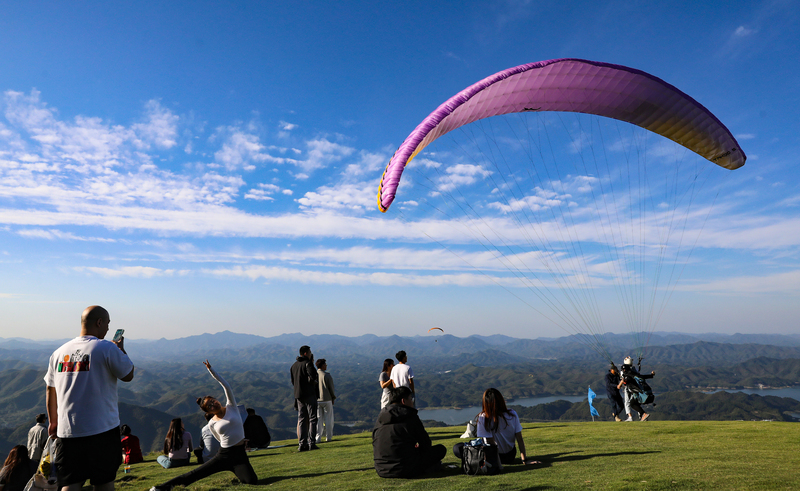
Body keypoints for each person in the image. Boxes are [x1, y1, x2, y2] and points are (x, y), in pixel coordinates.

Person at [44, 305, 134, 491]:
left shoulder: (59, 352)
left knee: (70, 483)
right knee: (103, 482)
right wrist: (120, 350)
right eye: (107, 323)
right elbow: (128, 375)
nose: (108, 328)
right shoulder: (107, 347)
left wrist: (53, 422)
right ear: (99, 322)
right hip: (102, 429)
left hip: (67, 431)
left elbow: (50, 389)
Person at [149, 361, 257, 491]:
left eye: (213, 401)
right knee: (195, 474)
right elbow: (219, 438)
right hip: (224, 454)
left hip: (240, 455)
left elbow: (226, 385)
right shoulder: (212, 423)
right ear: (208, 412)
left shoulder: (232, 407)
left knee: (252, 481)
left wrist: (211, 370)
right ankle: (160, 488)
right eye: (209, 406)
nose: (213, 404)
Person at [372, 386, 446, 478]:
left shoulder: (381, 418)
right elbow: (426, 444)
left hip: (382, 469)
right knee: (440, 449)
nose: (412, 402)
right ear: (403, 401)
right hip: (405, 468)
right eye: (411, 399)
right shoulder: (410, 416)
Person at [452, 388, 537, 466]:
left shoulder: (484, 417)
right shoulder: (512, 414)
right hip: (510, 456)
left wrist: (496, 463)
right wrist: (524, 460)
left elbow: (490, 443)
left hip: (493, 457)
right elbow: (519, 439)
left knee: (457, 448)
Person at [290, 345, 319, 451]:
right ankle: (312, 443)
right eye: (310, 352)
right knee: (312, 418)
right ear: (306, 353)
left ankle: (302, 444)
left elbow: (293, 381)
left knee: (302, 418)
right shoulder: (308, 363)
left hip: (298, 395)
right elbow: (313, 376)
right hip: (309, 394)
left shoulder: (294, 365)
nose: (311, 354)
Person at [617, 356, 655, 422]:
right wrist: (651, 375)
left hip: (635, 391)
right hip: (640, 391)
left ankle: (643, 414)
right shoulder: (634, 373)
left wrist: (619, 385)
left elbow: (624, 380)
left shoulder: (627, 375)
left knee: (632, 403)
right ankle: (642, 415)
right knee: (635, 403)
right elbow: (642, 376)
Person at [316, 358, 336, 443]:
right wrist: (333, 397)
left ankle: (318, 438)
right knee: (329, 419)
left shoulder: (314, 375)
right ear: (323, 365)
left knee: (318, 420)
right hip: (327, 399)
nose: (326, 366)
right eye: (325, 364)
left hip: (317, 400)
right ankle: (329, 437)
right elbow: (331, 388)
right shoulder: (327, 375)